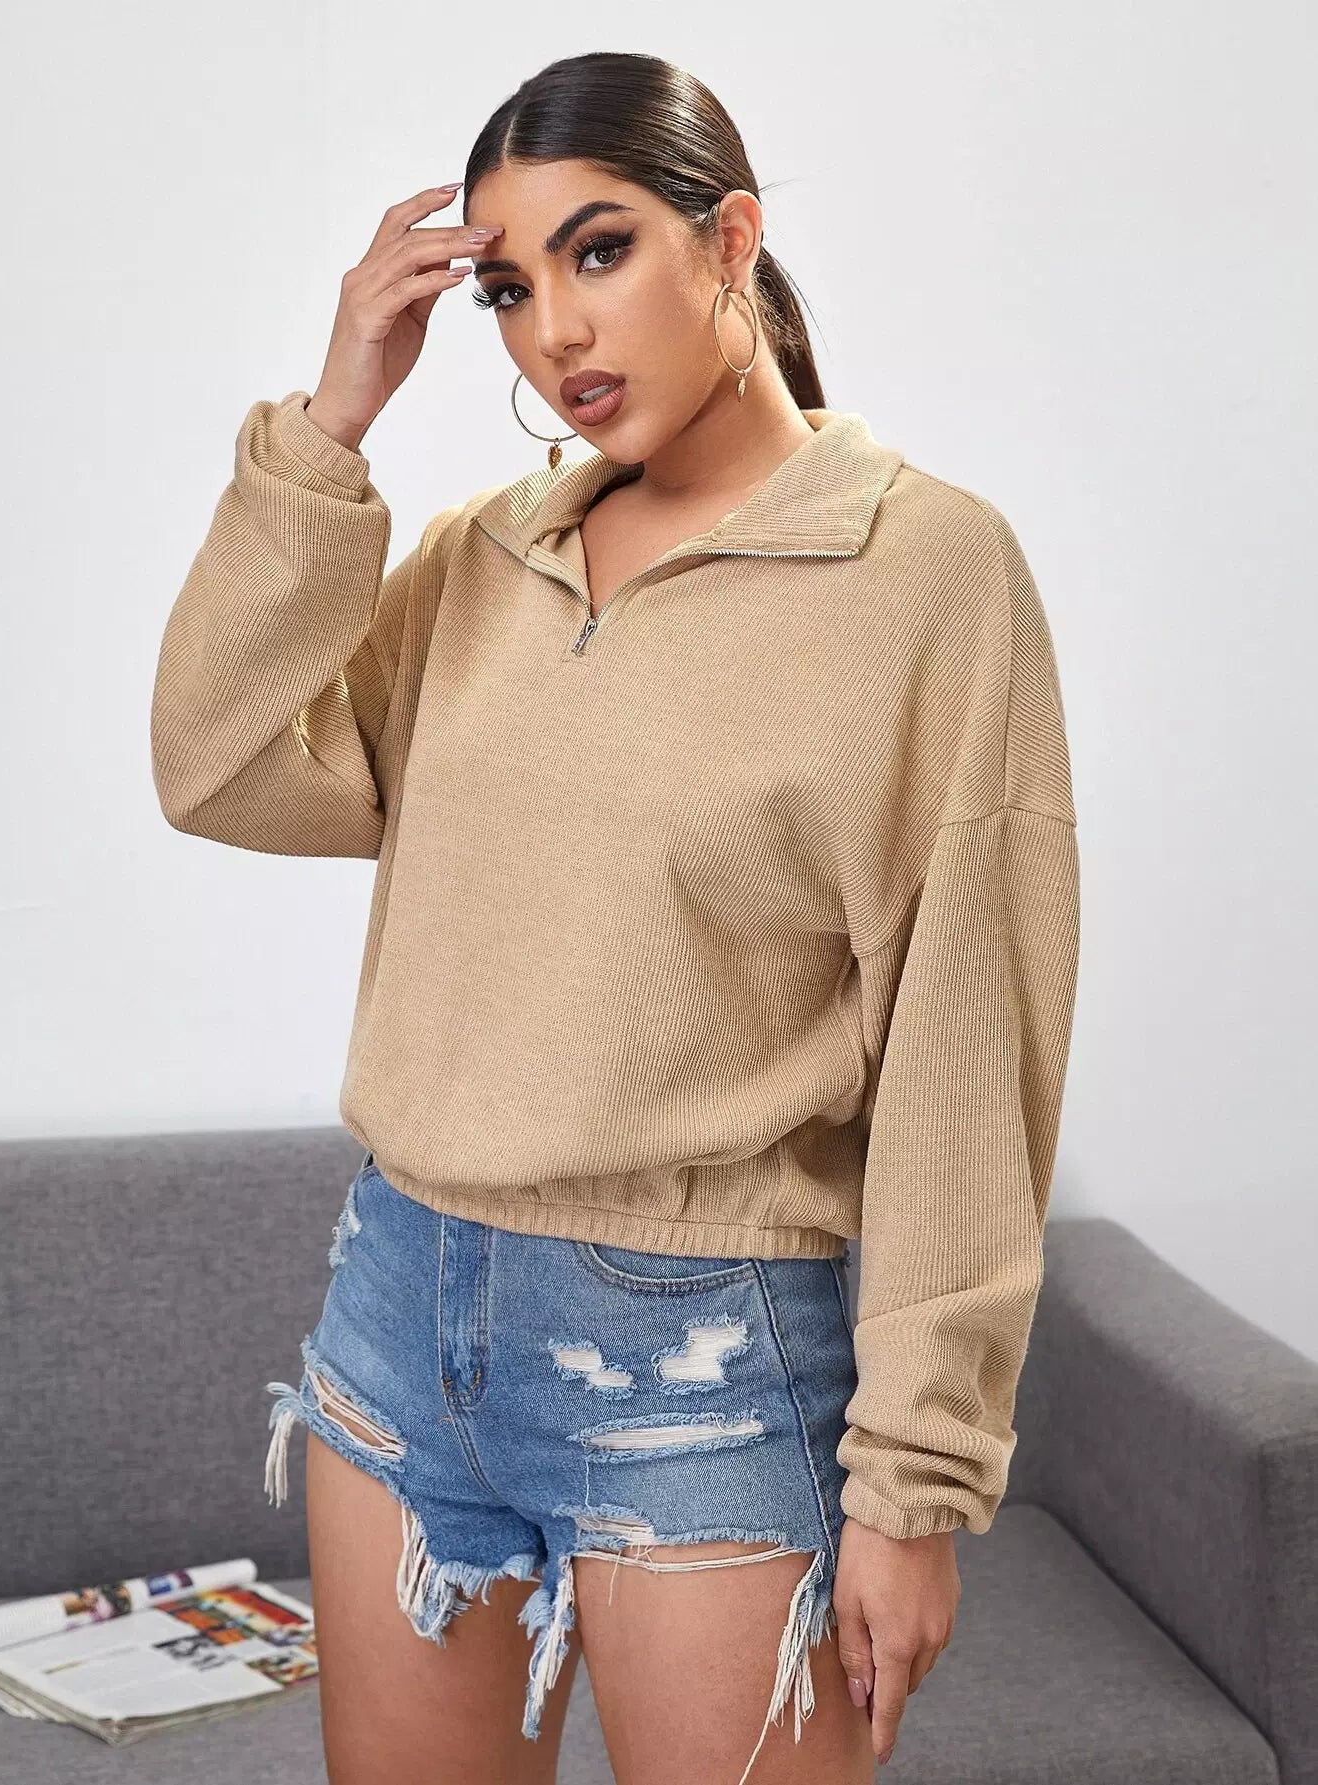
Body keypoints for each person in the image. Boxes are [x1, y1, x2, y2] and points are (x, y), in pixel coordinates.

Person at [150, 49, 1080, 1785]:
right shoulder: (477, 563)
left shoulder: (924, 570)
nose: (555, 332)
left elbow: (970, 1041)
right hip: (399, 1309)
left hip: (705, 1351)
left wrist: (917, 1486)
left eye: (599, 250)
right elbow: (217, 768)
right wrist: (328, 429)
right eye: (508, 287)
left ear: (729, 239)